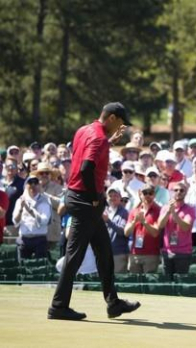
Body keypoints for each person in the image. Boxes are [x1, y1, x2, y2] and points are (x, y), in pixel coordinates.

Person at [49, 102, 140, 321]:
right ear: (111, 118)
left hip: (78, 197)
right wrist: (93, 198)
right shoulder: (99, 139)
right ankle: (58, 306)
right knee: (74, 256)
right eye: (120, 121)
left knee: (104, 252)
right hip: (85, 200)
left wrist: (108, 143)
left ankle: (113, 304)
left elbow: (84, 156)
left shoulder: (84, 130)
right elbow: (86, 167)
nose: (122, 126)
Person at [156, 182, 196, 280]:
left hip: (183, 252)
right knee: (167, 284)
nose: (179, 192)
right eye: (176, 190)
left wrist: (174, 213)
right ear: (172, 192)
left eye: (181, 190)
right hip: (167, 251)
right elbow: (160, 225)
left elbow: (185, 226)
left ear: (185, 192)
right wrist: (168, 212)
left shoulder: (189, 209)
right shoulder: (165, 208)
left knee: (181, 283)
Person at [124, 184, 162, 273]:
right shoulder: (134, 211)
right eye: (145, 193)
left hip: (151, 254)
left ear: (154, 195)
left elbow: (155, 233)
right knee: (135, 283)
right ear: (140, 194)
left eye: (150, 193)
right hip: (135, 254)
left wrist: (144, 222)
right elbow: (126, 232)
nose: (147, 195)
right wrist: (134, 221)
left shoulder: (159, 211)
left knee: (149, 284)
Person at [13, 176, 52, 259]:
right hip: (24, 239)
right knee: (22, 268)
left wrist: (30, 210)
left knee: (40, 267)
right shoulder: (20, 201)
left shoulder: (45, 200)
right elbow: (15, 221)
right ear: (26, 185)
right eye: (30, 183)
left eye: (36, 183)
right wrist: (21, 209)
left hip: (40, 239)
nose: (33, 186)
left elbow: (44, 221)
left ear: (39, 185)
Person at [103, 187, 129, 273]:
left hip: (118, 253)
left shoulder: (124, 212)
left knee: (118, 280)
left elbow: (122, 231)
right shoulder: (104, 211)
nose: (112, 198)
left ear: (120, 197)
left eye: (115, 195)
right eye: (110, 196)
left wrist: (108, 221)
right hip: (105, 252)